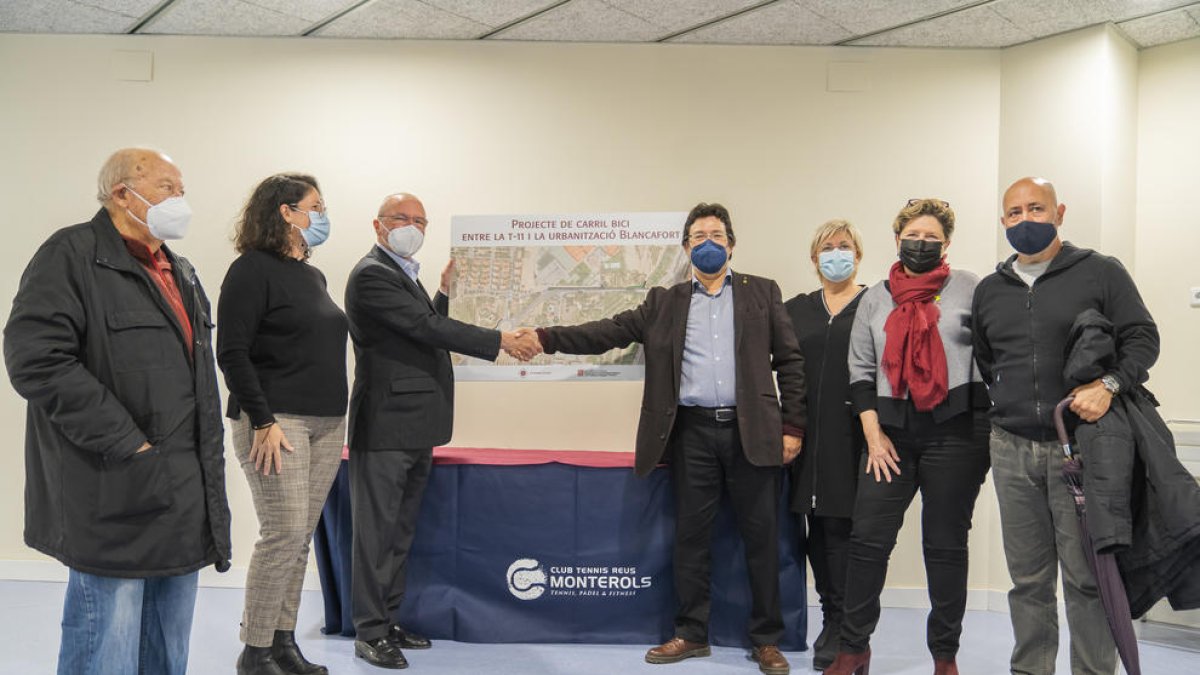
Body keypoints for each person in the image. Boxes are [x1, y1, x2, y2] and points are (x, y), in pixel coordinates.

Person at [529, 202, 805, 675]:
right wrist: (544, 335)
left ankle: (766, 640)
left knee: (761, 539)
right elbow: (606, 332)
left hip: (752, 432)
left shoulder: (762, 293)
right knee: (691, 540)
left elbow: (791, 362)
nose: (708, 243)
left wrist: (793, 427)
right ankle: (691, 633)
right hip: (690, 433)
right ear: (685, 247)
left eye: (717, 235)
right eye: (698, 236)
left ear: (732, 244)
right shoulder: (664, 302)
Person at [3, 148, 231, 675]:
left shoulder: (182, 270)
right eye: (167, 187)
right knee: (106, 645)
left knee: (167, 649)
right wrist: (130, 443)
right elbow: (36, 360)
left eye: (181, 188)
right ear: (121, 193)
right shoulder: (71, 255)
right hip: (112, 486)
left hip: (182, 492)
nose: (180, 199)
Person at [972, 177, 1159, 675]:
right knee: (1027, 580)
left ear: (1060, 212)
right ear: (1003, 221)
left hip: (1081, 448)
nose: (1025, 220)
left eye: (1036, 208)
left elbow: (1143, 338)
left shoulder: (1100, 273)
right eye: (1014, 212)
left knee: (1087, 578)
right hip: (1011, 450)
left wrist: (1111, 384)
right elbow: (989, 361)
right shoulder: (991, 290)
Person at [345, 192, 539, 669]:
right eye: (401, 218)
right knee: (376, 535)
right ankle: (369, 632)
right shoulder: (372, 274)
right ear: (378, 225)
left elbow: (421, 325)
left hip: (415, 425)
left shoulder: (400, 273)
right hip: (386, 426)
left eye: (419, 220)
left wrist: (446, 293)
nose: (412, 226)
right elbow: (425, 328)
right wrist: (500, 341)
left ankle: (388, 621)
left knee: (400, 532)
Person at [827, 199, 990, 675]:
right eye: (912, 236)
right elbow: (859, 369)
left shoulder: (970, 289)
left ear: (947, 244)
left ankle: (944, 656)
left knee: (944, 546)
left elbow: (990, 358)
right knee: (867, 543)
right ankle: (853, 649)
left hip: (956, 435)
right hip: (890, 439)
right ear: (896, 240)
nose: (921, 244)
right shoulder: (876, 297)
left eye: (931, 238)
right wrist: (874, 436)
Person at [216, 174, 349, 675]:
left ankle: (282, 643)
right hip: (277, 422)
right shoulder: (251, 270)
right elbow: (230, 351)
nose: (322, 215)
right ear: (286, 212)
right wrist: (263, 419)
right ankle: (254, 652)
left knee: (301, 536)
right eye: (315, 206)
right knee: (283, 533)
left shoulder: (311, 275)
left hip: (326, 422)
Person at [784, 220, 867, 671]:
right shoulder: (796, 309)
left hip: (859, 433)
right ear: (814, 259)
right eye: (828, 247)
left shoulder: (877, 304)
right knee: (818, 532)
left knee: (848, 532)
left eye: (845, 246)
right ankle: (830, 618)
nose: (837, 253)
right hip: (805, 436)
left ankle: (847, 626)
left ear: (858, 254)